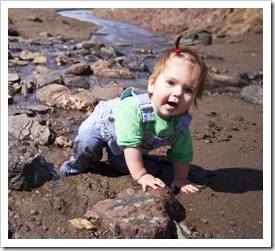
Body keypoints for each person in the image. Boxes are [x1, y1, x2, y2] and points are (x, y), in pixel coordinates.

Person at [60, 31, 209, 194]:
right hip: (104, 123)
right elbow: (131, 145)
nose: (178, 93)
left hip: (127, 141)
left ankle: (114, 156)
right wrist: (142, 175)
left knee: (123, 167)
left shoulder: (180, 124)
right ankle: (73, 167)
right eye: (171, 83)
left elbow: (182, 153)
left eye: (188, 90)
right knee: (87, 144)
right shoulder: (134, 109)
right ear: (152, 84)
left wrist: (181, 179)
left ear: (195, 97)